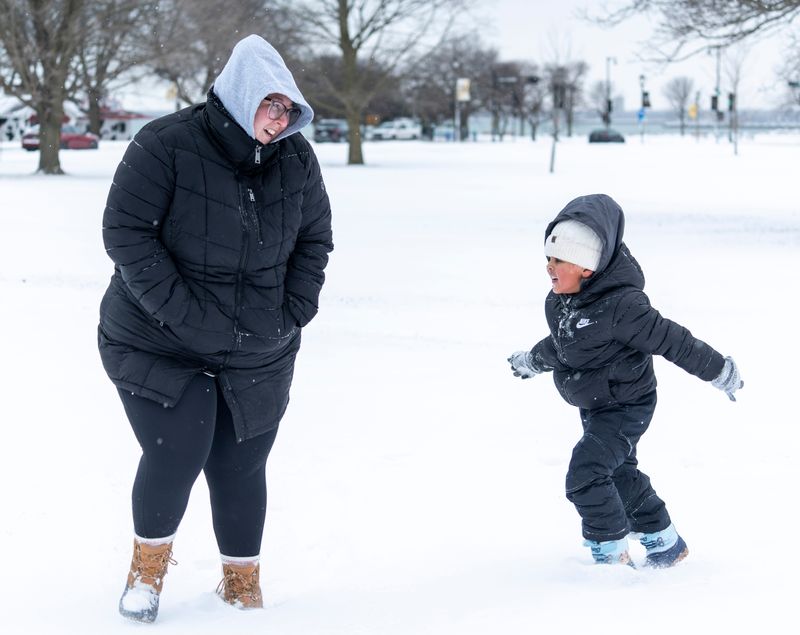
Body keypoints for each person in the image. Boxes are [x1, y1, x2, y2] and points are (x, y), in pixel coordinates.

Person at [97, 35, 333, 622]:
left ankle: (241, 582)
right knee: (179, 448)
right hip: (157, 340)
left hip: (260, 345)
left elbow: (314, 240)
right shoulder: (166, 144)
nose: (278, 120)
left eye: (287, 109)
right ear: (240, 94)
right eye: (269, 105)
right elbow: (127, 234)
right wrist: (183, 314)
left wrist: (293, 309)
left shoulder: (298, 160)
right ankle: (146, 573)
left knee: (240, 465)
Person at [508, 194, 742, 568]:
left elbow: (674, 340)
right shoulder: (562, 301)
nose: (549, 267)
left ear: (587, 267)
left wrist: (719, 370)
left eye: (559, 260)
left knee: (586, 473)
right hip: (596, 403)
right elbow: (564, 345)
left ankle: (611, 557)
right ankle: (665, 542)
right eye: (547, 259)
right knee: (617, 472)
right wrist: (532, 361)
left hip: (626, 404)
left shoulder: (623, 307)